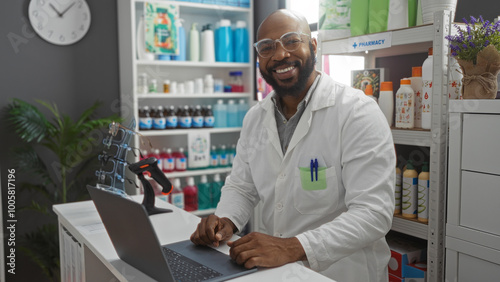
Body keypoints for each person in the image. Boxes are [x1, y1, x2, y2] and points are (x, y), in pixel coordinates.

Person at [191, 9, 395, 282]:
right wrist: (225, 221)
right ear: (259, 59)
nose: (279, 55)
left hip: (341, 273)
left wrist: (293, 247)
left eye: (290, 41)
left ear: (313, 46)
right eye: (267, 48)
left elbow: (373, 213)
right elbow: (243, 186)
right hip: (276, 272)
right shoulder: (256, 117)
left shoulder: (357, 112)